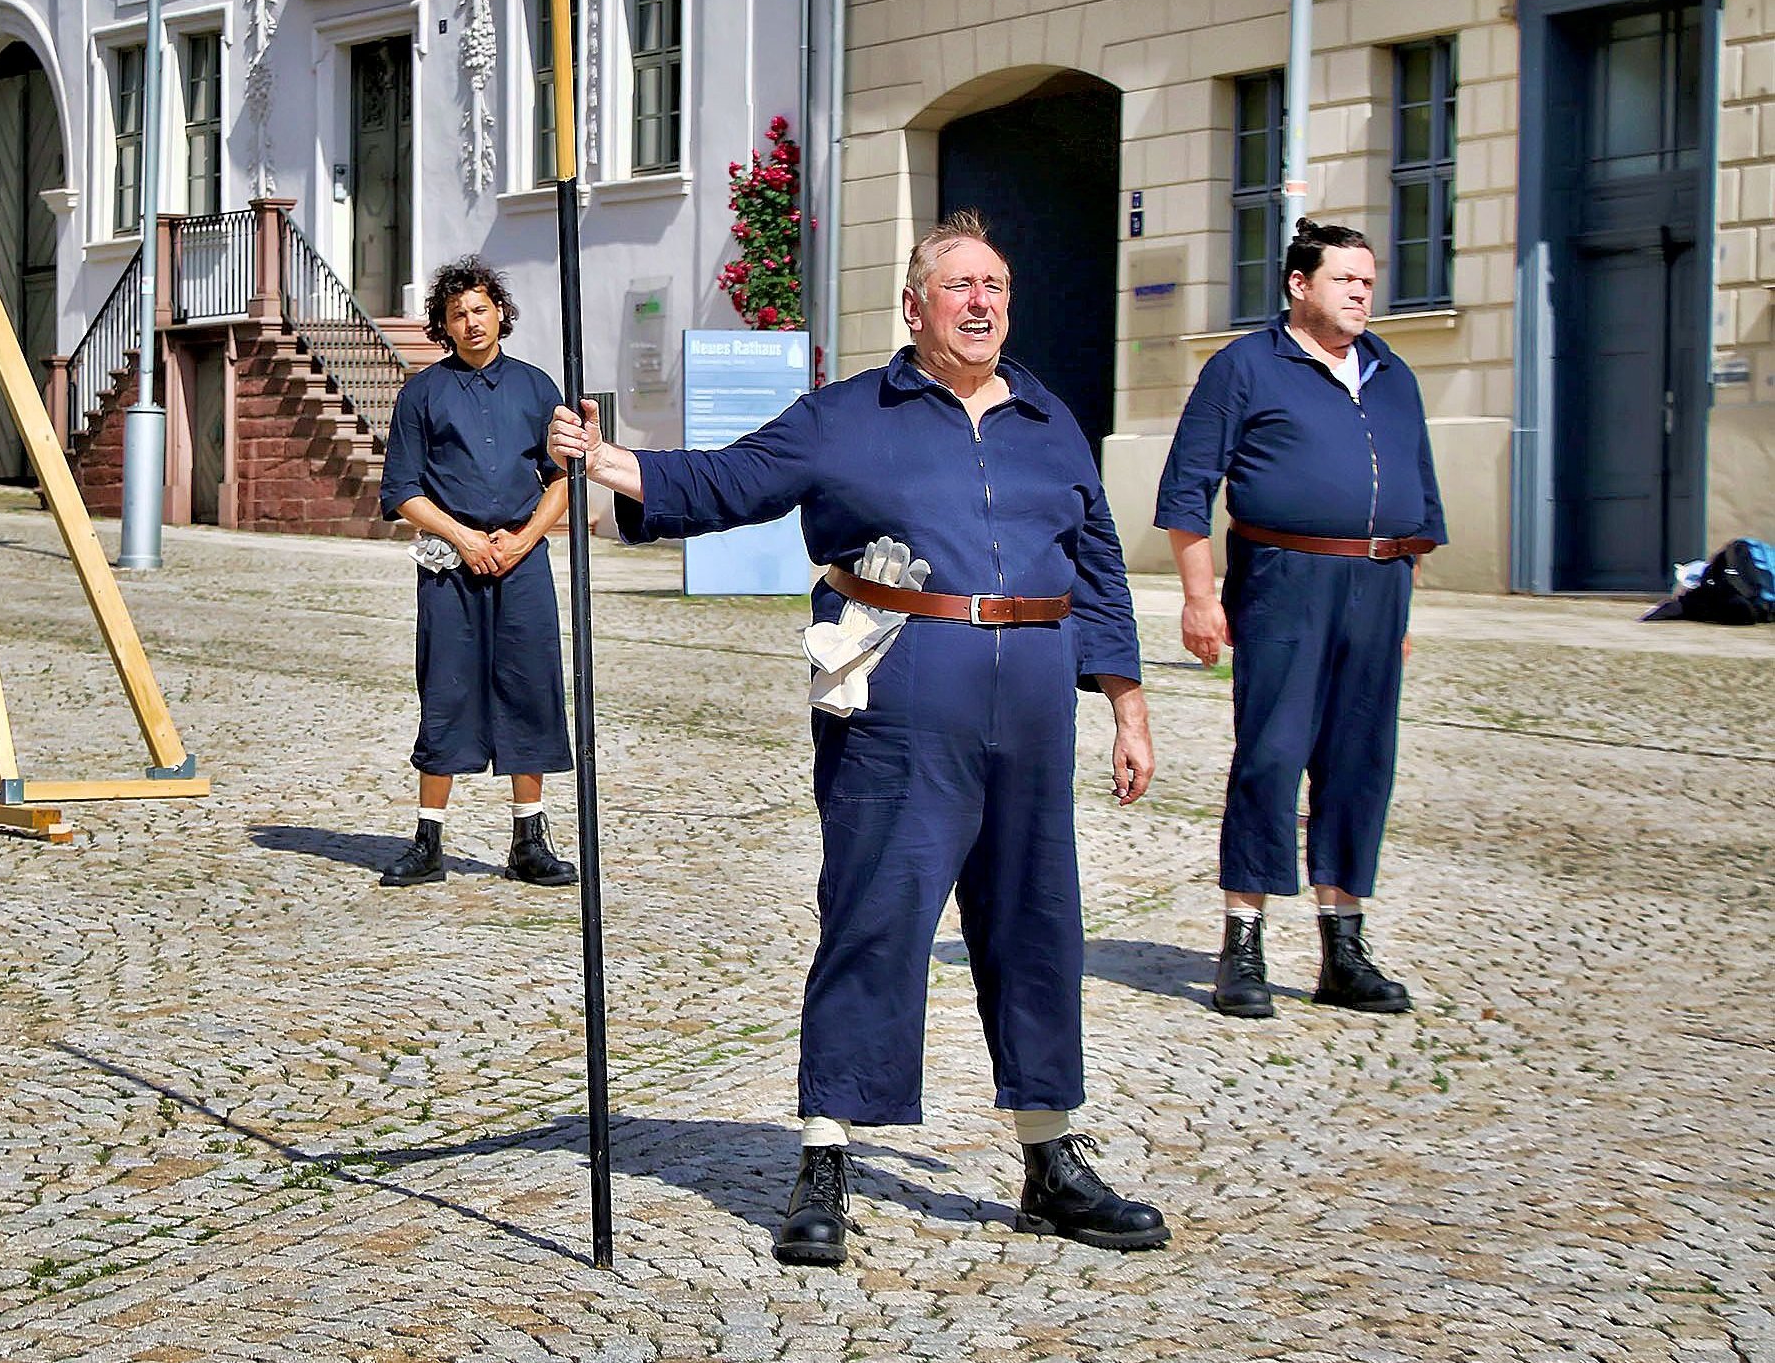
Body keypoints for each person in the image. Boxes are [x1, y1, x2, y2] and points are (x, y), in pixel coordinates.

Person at [548, 210, 1169, 1265]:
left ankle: (1050, 1158)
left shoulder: (1047, 420)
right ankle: (825, 1156)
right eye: (961, 286)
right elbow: (732, 481)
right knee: (874, 921)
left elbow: (1097, 558)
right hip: (898, 703)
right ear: (914, 307)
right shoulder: (845, 417)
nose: (982, 304)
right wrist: (608, 461)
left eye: (997, 287)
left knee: (1036, 925)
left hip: (1030, 704)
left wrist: (1126, 700)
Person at [1155, 219, 1445, 1020]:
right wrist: (1201, 596)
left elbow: (1420, 500)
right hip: (1284, 580)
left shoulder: (1392, 373)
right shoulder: (1245, 367)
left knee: (1361, 763)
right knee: (1271, 759)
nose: (1360, 293)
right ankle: (1242, 943)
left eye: (1367, 280)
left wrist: (1405, 608)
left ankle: (1342, 948)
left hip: (1381, 586)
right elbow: (1188, 492)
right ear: (1299, 283)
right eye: (1344, 279)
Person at [373, 257, 579, 891]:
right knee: (447, 690)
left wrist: (522, 541)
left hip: (522, 562)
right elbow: (402, 490)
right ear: (443, 324)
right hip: (449, 567)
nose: (471, 322)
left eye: (480, 308)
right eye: (457, 313)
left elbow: (564, 479)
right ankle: (428, 840)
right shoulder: (422, 394)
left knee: (530, 686)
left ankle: (529, 839)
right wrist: (461, 537)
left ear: (500, 313)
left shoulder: (538, 389)